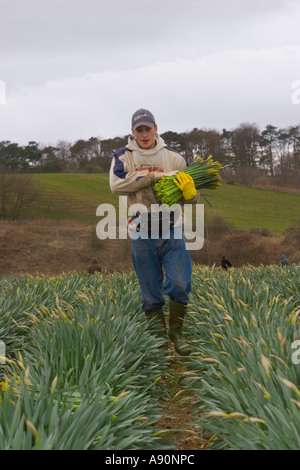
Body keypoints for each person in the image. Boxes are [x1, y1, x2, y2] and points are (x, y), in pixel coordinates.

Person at [109, 108, 199, 356]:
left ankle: (177, 333)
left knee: (180, 284)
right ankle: (159, 341)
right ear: (133, 132)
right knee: (150, 293)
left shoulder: (175, 158)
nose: (144, 134)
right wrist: (151, 176)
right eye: (139, 130)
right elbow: (116, 185)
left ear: (156, 129)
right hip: (141, 232)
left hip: (172, 229)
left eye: (148, 128)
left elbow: (193, 194)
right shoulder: (123, 157)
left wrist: (192, 195)